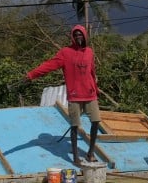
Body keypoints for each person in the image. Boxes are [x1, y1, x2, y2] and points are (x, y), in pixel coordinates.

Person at [25, 24, 101, 165]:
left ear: (85, 36)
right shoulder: (65, 53)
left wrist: (96, 89)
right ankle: (75, 157)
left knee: (96, 122)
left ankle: (90, 153)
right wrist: (31, 75)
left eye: (81, 34)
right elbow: (49, 65)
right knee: (74, 126)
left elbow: (92, 72)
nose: (79, 37)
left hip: (90, 94)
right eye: (76, 35)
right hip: (75, 95)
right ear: (72, 37)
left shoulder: (90, 52)